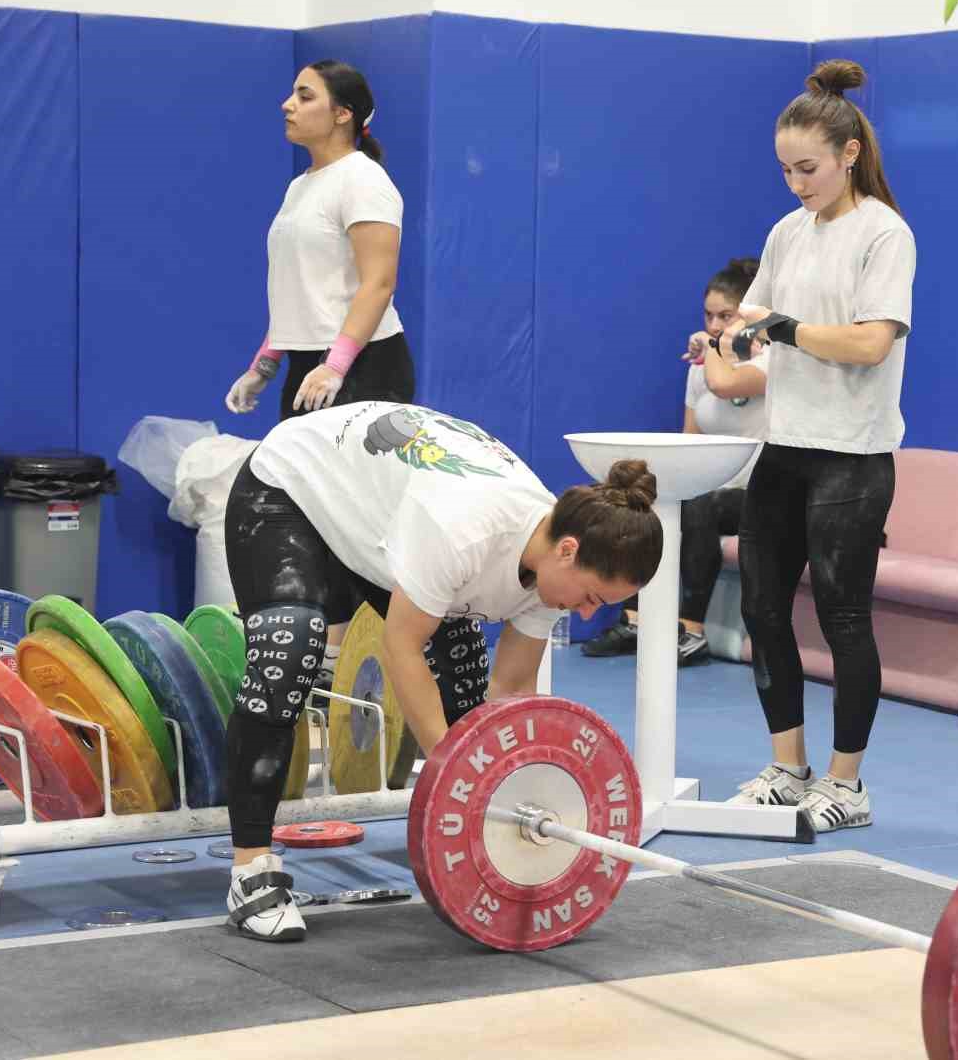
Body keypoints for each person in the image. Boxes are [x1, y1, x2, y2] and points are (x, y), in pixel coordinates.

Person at [220, 400, 662, 941]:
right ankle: (250, 867)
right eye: (593, 596)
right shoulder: (466, 532)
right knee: (289, 655)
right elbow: (400, 646)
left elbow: (510, 692)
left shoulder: (555, 566)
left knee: (464, 672)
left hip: (382, 519)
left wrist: (509, 798)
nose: (589, 613)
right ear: (567, 551)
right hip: (292, 488)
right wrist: (458, 777)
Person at [719, 60, 916, 834]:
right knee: (765, 610)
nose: (796, 183)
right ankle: (788, 768)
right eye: (784, 170)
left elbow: (870, 343)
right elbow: (757, 312)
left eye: (808, 168)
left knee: (843, 620)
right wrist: (733, 331)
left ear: (848, 155)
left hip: (853, 458)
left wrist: (786, 331)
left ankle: (848, 785)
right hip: (784, 448)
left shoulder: (885, 234)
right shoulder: (785, 232)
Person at [223, 58, 418, 680]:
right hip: (313, 365)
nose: (287, 103)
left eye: (303, 95)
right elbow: (305, 291)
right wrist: (266, 362)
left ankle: (381, 665)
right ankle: (326, 671)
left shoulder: (364, 181)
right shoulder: (302, 185)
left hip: (363, 367)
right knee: (304, 512)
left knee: (350, 523)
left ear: (342, 115)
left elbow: (377, 282)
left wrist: (336, 365)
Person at [582, 257, 768, 667]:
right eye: (708, 315)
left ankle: (692, 629)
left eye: (726, 316)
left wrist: (713, 349)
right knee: (648, 498)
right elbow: (689, 443)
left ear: (750, 318)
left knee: (700, 502)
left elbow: (725, 386)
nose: (715, 325)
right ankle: (634, 618)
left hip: (760, 493)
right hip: (712, 491)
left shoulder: (773, 363)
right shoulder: (699, 369)